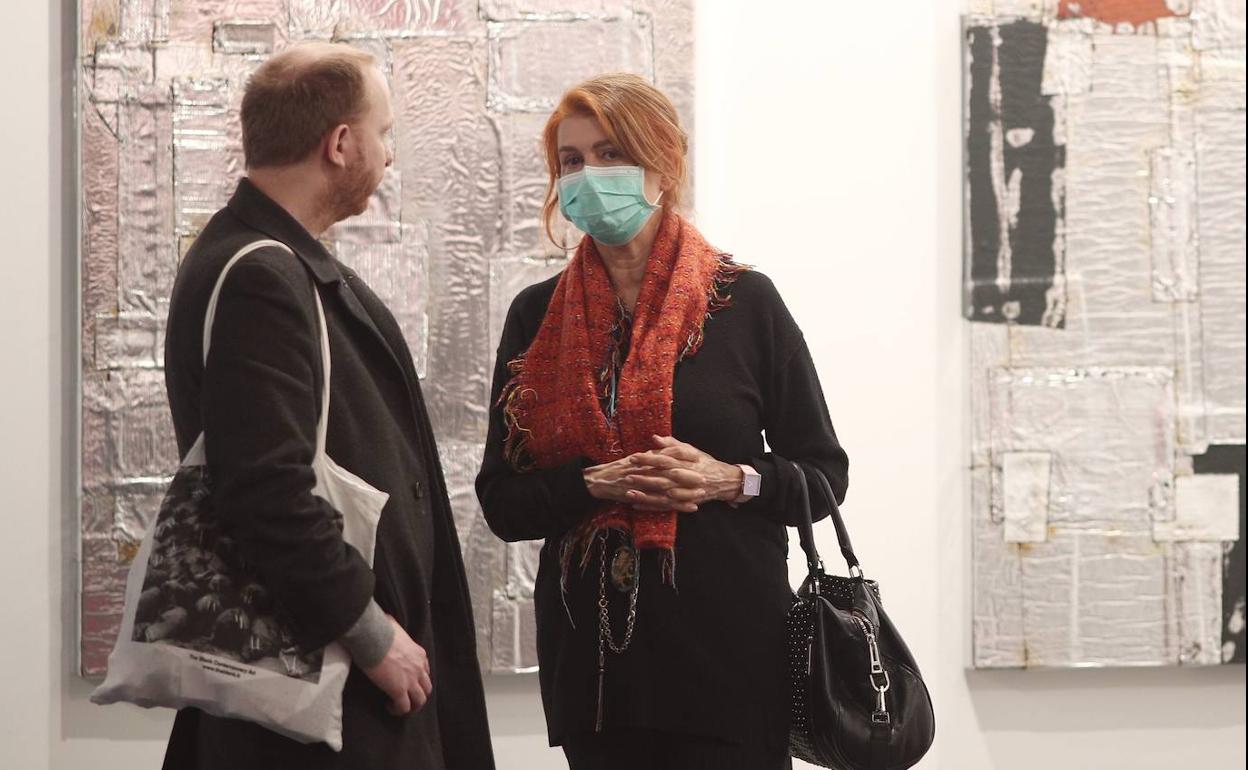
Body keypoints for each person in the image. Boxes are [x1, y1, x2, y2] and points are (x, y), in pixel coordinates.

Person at [476, 73, 850, 770]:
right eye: (572, 161)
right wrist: (595, 483)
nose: (591, 176)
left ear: (663, 162)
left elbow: (825, 476)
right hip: (596, 677)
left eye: (612, 153)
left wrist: (727, 480)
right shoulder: (536, 316)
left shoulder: (744, 304)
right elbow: (503, 502)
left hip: (732, 668)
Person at [161, 42, 494, 770]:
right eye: (385, 133)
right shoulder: (264, 278)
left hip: (331, 696)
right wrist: (373, 635)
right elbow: (268, 490)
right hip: (327, 701)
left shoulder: (261, 257)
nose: (389, 155)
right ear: (340, 143)